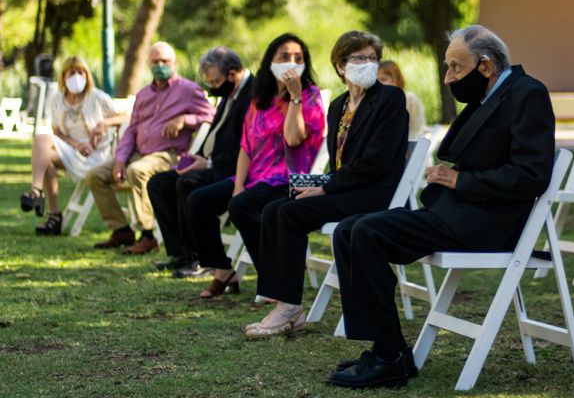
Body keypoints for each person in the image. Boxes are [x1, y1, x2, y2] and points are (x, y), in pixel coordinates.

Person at [326, 25, 556, 389]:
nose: (449, 78)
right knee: (348, 229)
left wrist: (459, 180)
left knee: (367, 232)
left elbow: (531, 175)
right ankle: (385, 347)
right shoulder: (489, 95)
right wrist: (450, 177)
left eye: (455, 67)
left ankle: (389, 357)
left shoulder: (527, 93)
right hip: (454, 213)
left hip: (487, 222)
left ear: (484, 66)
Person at [243, 30, 408, 338]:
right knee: (274, 208)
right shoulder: (339, 104)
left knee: (290, 213)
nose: (368, 64)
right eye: (359, 58)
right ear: (340, 65)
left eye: (373, 58)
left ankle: (288, 307)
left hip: (375, 194)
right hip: (348, 188)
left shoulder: (389, 98)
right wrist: (322, 182)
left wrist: (326, 188)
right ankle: (285, 303)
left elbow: (376, 162)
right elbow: (339, 163)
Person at [186, 33, 325, 297]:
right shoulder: (260, 100)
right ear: (270, 61)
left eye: (298, 58)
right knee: (198, 201)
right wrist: (238, 185)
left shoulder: (310, 97)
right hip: (254, 178)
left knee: (241, 206)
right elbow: (246, 147)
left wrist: (295, 98)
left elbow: (293, 138)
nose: (291, 62)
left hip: (289, 179)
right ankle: (222, 268)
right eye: (284, 57)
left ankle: (273, 279)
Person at [86, 41, 214, 254]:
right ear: (148, 63)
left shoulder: (189, 90)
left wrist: (186, 119)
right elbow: (132, 130)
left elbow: (212, 116)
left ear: (174, 63)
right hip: (139, 153)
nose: (160, 65)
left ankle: (147, 235)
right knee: (95, 175)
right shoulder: (143, 94)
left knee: (137, 170)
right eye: (156, 61)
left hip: (170, 154)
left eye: (165, 61)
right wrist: (120, 159)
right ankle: (121, 230)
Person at [147, 46, 253, 275]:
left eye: (215, 82)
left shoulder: (252, 96)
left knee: (187, 183)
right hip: (213, 163)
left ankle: (199, 259)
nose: (213, 88)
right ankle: (181, 254)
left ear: (233, 74)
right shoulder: (229, 94)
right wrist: (201, 158)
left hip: (237, 170)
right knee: (158, 183)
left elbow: (248, 146)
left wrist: (209, 164)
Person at [19, 56, 127, 235]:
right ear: (64, 76)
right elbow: (56, 130)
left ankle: (45, 206)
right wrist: (76, 144)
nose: (76, 77)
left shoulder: (97, 97)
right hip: (72, 150)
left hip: (97, 155)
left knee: (43, 157)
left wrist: (104, 124)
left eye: (80, 72)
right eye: (72, 73)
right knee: (41, 142)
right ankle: (38, 193)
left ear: (87, 76)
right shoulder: (57, 99)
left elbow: (126, 116)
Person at [377, 60, 426, 140]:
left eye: (383, 79)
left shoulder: (409, 99)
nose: (379, 84)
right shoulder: (374, 101)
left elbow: (416, 129)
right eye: (376, 80)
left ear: (396, 79)